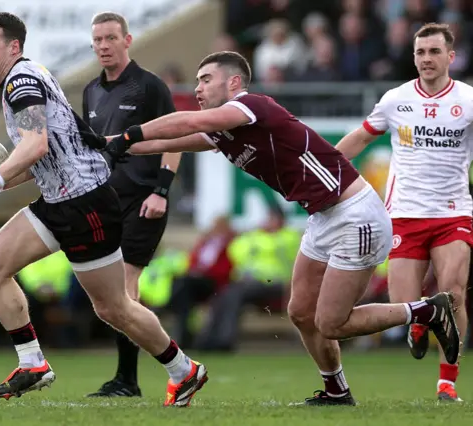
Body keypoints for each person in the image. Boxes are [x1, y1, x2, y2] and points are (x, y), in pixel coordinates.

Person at [102, 50, 461, 406]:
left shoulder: (251, 105)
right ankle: (336, 390)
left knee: (332, 323)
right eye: (196, 81)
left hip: (355, 215)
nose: (197, 88)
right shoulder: (224, 131)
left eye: (205, 80)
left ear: (234, 82)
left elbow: (189, 124)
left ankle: (426, 311)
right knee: (300, 312)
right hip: (323, 217)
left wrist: (129, 134)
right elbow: (166, 142)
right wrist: (107, 144)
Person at [0, 12, 207, 406]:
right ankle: (32, 362)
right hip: (59, 202)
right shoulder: (24, 78)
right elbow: (43, 158)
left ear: (13, 47)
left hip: (87, 205)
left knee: (114, 307)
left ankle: (183, 370)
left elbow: (34, 146)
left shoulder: (21, 81)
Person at [335, 23, 472, 402]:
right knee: (402, 305)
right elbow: (361, 137)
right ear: (413, 57)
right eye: (420, 53)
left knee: (454, 293)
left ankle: (447, 381)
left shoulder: (468, 99)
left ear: (450, 57)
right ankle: (417, 323)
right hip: (405, 215)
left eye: (433, 52)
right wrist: (326, 168)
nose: (426, 59)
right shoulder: (396, 99)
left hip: (453, 213)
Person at [81, 12, 182, 398]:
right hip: (106, 201)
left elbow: (176, 137)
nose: (103, 45)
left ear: (128, 40)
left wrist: (162, 191)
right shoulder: (91, 90)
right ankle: (131, 377)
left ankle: (131, 378)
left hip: (144, 201)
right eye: (98, 40)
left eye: (110, 38)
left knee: (124, 288)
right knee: (109, 297)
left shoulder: (149, 86)